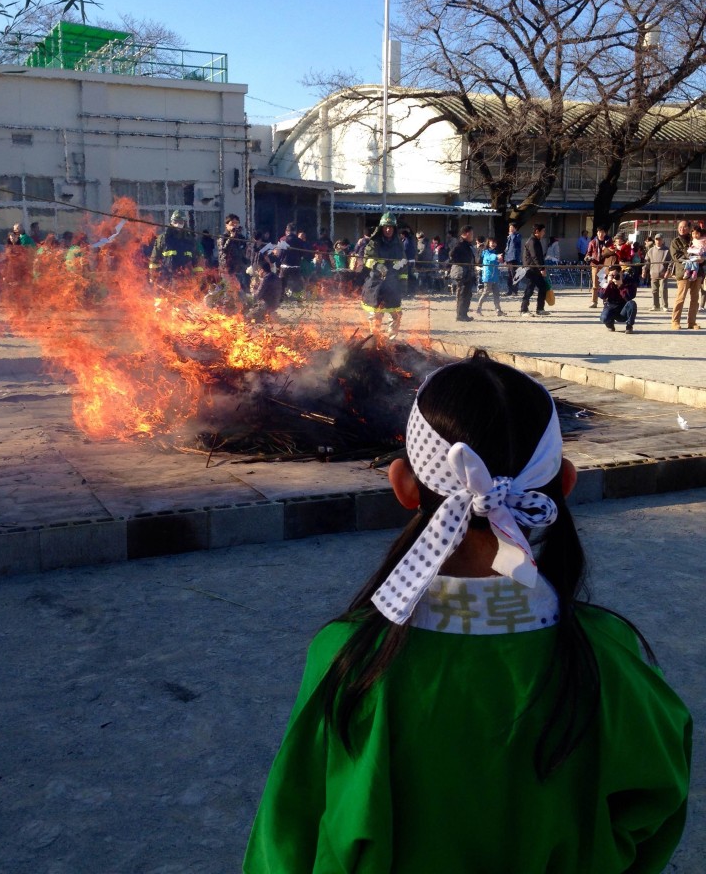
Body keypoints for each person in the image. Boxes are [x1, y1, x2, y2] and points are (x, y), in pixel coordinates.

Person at [244, 353, 691, 874]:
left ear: (404, 486)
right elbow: (655, 809)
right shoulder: (609, 653)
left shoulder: (351, 660)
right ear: (564, 484)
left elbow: (288, 838)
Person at [361, 211, 408, 339]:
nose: (388, 229)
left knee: (396, 314)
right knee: (376, 314)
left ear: (394, 228)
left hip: (392, 284)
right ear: (381, 228)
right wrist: (376, 265)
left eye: (390, 227)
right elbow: (366, 259)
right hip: (376, 283)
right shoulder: (374, 242)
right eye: (386, 227)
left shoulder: (399, 246)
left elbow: (404, 264)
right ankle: (374, 340)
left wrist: (403, 282)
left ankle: (391, 340)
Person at [148, 210, 202, 285]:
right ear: (171, 222)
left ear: (184, 223)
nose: (177, 225)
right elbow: (154, 260)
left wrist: (199, 279)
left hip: (185, 282)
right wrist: (153, 276)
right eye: (175, 222)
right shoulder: (163, 239)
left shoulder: (190, 241)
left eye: (180, 222)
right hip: (166, 280)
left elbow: (197, 262)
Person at [670, 219, 704, 331]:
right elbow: (676, 257)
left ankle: (692, 322)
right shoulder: (675, 241)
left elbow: (703, 252)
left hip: (697, 272)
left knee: (695, 298)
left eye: (684, 227)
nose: (682, 229)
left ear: (689, 229)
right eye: (680, 227)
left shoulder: (696, 239)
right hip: (683, 273)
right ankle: (675, 321)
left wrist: (702, 259)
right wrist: (692, 258)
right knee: (680, 298)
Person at [520, 223, 550, 317]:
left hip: (536, 269)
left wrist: (542, 267)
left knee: (543, 287)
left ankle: (540, 309)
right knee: (529, 289)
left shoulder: (537, 240)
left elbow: (540, 257)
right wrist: (541, 268)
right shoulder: (532, 241)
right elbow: (535, 257)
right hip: (531, 269)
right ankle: (524, 310)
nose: (544, 233)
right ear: (537, 231)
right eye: (543, 231)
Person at [598, 264, 638, 333]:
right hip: (611, 306)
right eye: (612, 275)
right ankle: (610, 324)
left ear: (621, 273)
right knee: (604, 318)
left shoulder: (629, 280)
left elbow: (630, 297)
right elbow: (602, 295)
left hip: (624, 308)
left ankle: (629, 326)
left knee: (632, 303)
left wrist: (621, 286)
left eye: (616, 275)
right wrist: (607, 284)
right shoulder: (605, 280)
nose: (614, 277)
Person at [217, 214, 248, 289]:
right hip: (227, 270)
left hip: (239, 269)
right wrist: (231, 238)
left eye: (236, 223)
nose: (235, 225)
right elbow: (224, 250)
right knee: (229, 291)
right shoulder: (223, 237)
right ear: (226, 225)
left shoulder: (241, 237)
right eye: (232, 224)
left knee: (241, 290)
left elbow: (243, 250)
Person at [476, 236, 505, 317]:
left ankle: (498, 310)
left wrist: (500, 262)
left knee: (496, 294)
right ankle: (478, 309)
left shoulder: (495, 252)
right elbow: (489, 258)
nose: (494, 244)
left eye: (495, 242)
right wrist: (496, 257)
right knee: (485, 293)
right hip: (488, 276)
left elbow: (496, 263)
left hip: (495, 277)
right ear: (488, 243)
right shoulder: (485, 252)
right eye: (492, 242)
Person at [584, 227, 613, 308]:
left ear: (605, 233)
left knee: (604, 285)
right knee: (595, 285)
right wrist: (588, 257)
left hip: (605, 265)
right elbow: (587, 254)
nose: (601, 234)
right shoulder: (592, 242)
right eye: (599, 232)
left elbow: (612, 252)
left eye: (602, 232)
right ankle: (594, 301)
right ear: (597, 233)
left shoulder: (608, 242)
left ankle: (605, 301)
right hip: (595, 265)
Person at [642, 233, 671, 311]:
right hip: (653, 273)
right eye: (656, 239)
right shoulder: (651, 250)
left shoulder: (667, 250)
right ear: (654, 240)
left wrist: (668, 271)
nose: (658, 241)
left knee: (663, 290)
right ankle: (656, 305)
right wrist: (644, 270)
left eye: (660, 239)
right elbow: (647, 262)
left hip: (663, 274)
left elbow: (670, 262)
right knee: (654, 290)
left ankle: (665, 306)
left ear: (663, 240)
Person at [503, 222, 522, 295]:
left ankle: (515, 290)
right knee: (510, 275)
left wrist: (512, 234)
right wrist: (505, 258)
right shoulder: (509, 237)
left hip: (514, 258)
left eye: (512, 227)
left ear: (516, 228)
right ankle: (509, 290)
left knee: (515, 275)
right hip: (509, 258)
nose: (510, 229)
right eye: (509, 227)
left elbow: (514, 242)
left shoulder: (518, 235)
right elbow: (507, 249)